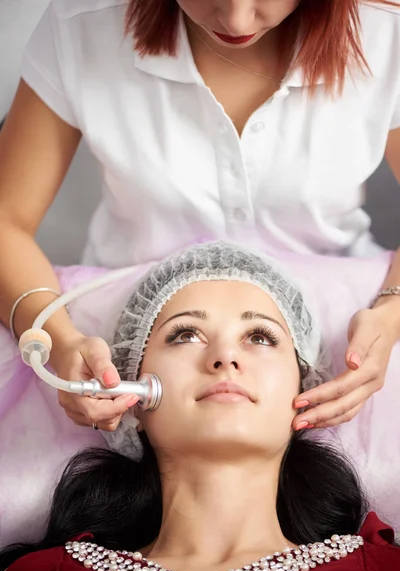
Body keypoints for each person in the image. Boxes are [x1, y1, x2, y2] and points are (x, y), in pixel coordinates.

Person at [0, 0, 399, 435]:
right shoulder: (83, 27)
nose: (236, 19)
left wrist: (392, 312)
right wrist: (55, 338)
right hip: (111, 329)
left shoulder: (386, 34)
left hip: (348, 319)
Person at [0, 242, 399, 571]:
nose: (225, 356)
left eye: (260, 336)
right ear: (130, 399)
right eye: (185, 334)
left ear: (305, 393)